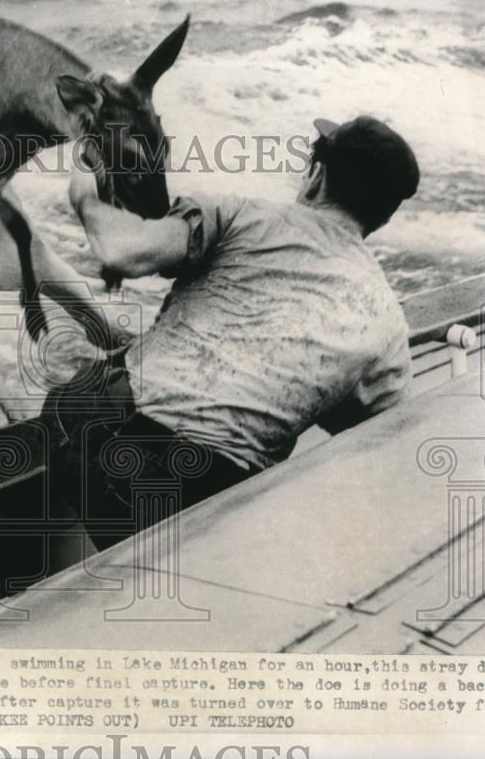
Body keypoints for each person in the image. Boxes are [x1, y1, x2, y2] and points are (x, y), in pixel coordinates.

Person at [43, 115, 420, 549]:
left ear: (316, 177)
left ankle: (65, 571)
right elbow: (384, 443)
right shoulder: (388, 322)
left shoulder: (241, 214)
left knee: (77, 395)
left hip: (116, 456)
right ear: (383, 217)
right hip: (218, 501)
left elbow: (121, 252)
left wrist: (85, 195)